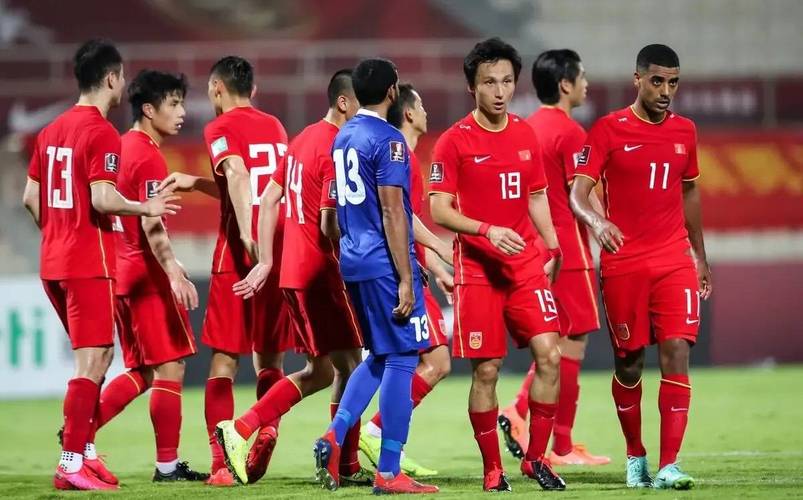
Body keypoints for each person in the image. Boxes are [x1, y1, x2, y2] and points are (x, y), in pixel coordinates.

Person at [22, 39, 179, 491]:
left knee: (102, 356)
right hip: (86, 261)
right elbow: (103, 198)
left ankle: (86, 453)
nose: (123, 83)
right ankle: (70, 462)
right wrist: (146, 206)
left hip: (54, 261)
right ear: (111, 78)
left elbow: (30, 198)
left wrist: (58, 234)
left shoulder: (50, 131)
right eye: (122, 76)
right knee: (92, 361)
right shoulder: (101, 132)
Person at [213, 69, 373, 486]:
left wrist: (268, 261)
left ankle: (243, 429)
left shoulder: (301, 139)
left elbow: (269, 197)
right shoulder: (338, 145)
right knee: (352, 367)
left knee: (321, 370)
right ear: (344, 103)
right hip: (323, 273)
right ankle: (342, 462)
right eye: (363, 105)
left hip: (292, 273)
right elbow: (328, 224)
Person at [569, 43, 712, 490]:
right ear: (638, 80)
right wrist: (597, 222)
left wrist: (699, 255)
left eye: (673, 83)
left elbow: (690, 192)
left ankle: (669, 465)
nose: (666, 91)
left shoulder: (685, 131)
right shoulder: (608, 129)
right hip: (624, 263)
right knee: (629, 362)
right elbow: (577, 193)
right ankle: (636, 456)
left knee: (677, 350)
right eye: (657, 81)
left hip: (673, 259)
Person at [429, 37, 565, 491]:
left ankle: (537, 459)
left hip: (524, 265)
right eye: (489, 82)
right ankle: (492, 468)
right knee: (486, 370)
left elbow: (537, 195)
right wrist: (486, 230)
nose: (500, 91)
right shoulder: (453, 141)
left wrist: (552, 245)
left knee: (550, 356)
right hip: (478, 271)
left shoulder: (525, 133)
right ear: (472, 87)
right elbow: (439, 209)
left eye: (507, 81)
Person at [159, 55, 295, 486]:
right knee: (270, 358)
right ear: (252, 90)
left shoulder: (219, 128)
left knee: (224, 360)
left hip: (239, 255)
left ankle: (221, 463)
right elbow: (262, 186)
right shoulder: (275, 126)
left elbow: (237, 175)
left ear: (217, 88)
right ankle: (267, 431)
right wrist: (198, 182)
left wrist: (249, 234)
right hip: (280, 250)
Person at [312, 57, 437, 494]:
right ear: (392, 92)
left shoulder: (343, 136)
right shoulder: (390, 140)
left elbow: (337, 213)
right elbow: (392, 211)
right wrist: (405, 276)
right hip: (384, 264)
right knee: (403, 358)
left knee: (380, 356)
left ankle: (335, 435)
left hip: (353, 262)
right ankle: (388, 471)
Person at [81, 69, 207, 482]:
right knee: (171, 369)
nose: (182, 112)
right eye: (174, 103)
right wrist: (173, 272)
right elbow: (152, 223)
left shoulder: (119, 147)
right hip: (146, 275)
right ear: (149, 110)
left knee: (144, 371)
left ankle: (79, 430)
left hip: (120, 272)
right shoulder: (148, 154)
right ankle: (165, 466)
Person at [499, 49, 610, 466]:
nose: (586, 84)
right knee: (572, 343)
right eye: (582, 77)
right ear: (565, 84)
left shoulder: (525, 128)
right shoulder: (571, 133)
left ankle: (521, 412)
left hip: (534, 249)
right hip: (569, 250)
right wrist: (608, 227)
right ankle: (560, 445)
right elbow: (585, 194)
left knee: (556, 342)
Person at [359, 82, 454, 478]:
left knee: (394, 360)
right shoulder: (402, 155)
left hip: (404, 270)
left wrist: (440, 271)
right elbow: (402, 219)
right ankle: (374, 434)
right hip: (402, 275)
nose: (427, 112)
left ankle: (354, 438)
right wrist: (442, 250)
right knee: (435, 361)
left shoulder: (404, 154)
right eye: (422, 105)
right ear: (410, 113)